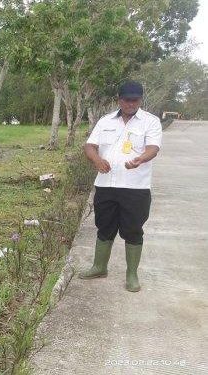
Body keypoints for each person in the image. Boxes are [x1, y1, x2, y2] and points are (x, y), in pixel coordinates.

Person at [79, 81, 161, 292]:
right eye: (127, 99)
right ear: (119, 99)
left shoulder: (150, 122)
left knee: (133, 230)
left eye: (135, 100)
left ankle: (131, 274)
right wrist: (96, 160)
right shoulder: (105, 120)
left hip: (136, 188)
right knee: (104, 226)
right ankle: (99, 267)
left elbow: (153, 148)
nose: (131, 103)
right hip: (106, 185)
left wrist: (140, 159)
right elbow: (90, 145)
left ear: (140, 100)